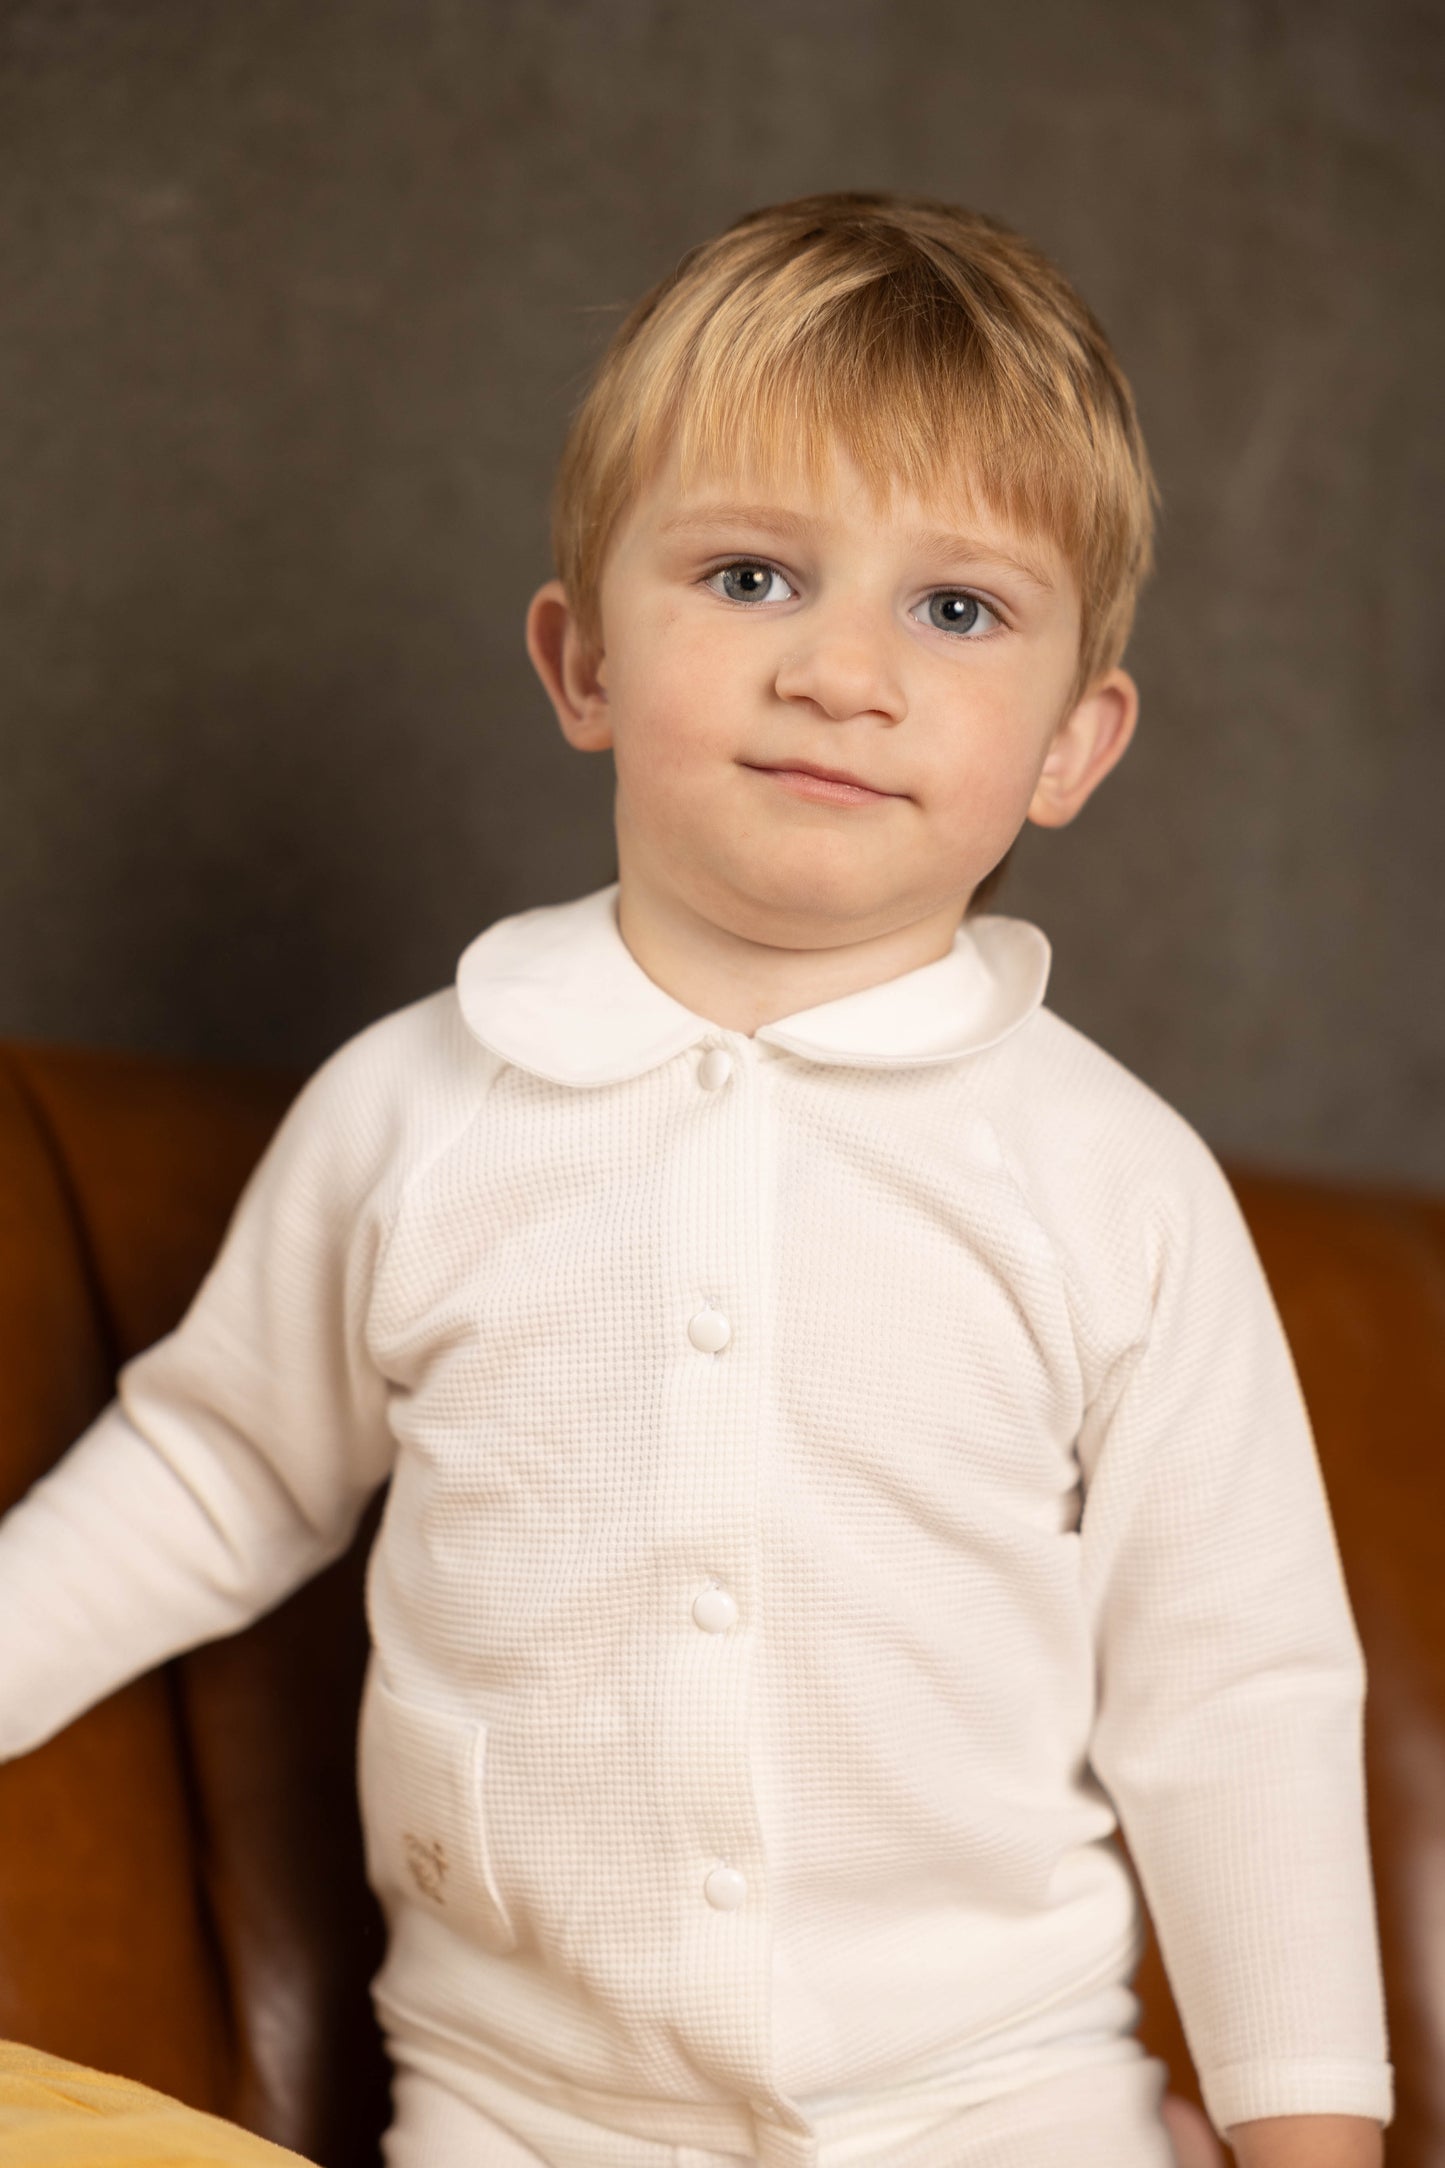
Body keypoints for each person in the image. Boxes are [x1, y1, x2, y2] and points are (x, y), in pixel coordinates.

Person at [0, 193, 1391, 2168]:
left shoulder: (1111, 1183)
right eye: (751, 574)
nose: (843, 670)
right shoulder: (420, 1110)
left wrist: (1306, 2131)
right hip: (519, 2106)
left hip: (990, 2095)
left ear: (1074, 745)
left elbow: (1234, 1680)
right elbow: (216, 1469)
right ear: (579, 658)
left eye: (958, 609)